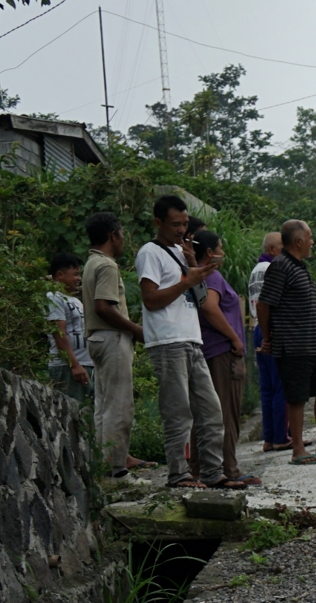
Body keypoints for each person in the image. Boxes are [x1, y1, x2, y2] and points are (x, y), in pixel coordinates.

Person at [136, 195, 224, 490]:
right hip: (167, 341)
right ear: (158, 222)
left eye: (185, 224)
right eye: (176, 224)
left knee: (211, 411)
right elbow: (150, 300)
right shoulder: (150, 252)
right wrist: (187, 280)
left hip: (191, 339)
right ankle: (179, 473)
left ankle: (213, 472)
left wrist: (192, 267)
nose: (182, 229)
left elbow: (199, 299)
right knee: (178, 412)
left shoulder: (181, 251)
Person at [258, 218, 316, 465]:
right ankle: (298, 449)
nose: (312, 242)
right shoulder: (281, 266)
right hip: (291, 345)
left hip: (310, 342)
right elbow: (264, 304)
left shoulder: (298, 266)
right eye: (309, 238)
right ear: (298, 241)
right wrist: (268, 338)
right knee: (297, 398)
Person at [82, 212, 148, 476]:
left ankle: (102, 461)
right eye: (122, 234)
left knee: (104, 405)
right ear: (113, 235)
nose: (123, 240)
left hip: (96, 339)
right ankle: (116, 466)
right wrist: (136, 330)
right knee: (119, 405)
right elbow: (103, 306)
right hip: (111, 337)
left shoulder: (90, 263)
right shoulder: (107, 265)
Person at [191, 229, 258, 490]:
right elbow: (210, 307)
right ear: (209, 253)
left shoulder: (194, 274)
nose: (223, 253)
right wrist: (235, 339)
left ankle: (199, 468)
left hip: (207, 349)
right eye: (220, 248)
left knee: (206, 413)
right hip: (221, 351)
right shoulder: (212, 275)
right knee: (227, 412)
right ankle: (228, 469)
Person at [248, 231, 289, 452]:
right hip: (271, 329)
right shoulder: (274, 268)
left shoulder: (256, 270)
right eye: (283, 246)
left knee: (267, 388)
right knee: (281, 385)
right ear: (273, 250)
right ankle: (281, 437)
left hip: (257, 327)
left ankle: (269, 438)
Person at [45, 252, 92, 402]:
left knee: (88, 416)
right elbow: (59, 332)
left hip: (86, 365)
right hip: (68, 367)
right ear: (60, 275)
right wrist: (74, 365)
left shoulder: (75, 300)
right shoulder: (54, 297)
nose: (79, 279)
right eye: (75, 274)